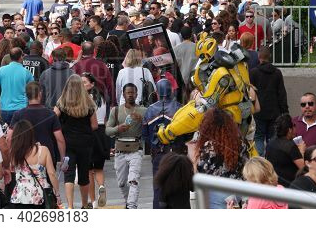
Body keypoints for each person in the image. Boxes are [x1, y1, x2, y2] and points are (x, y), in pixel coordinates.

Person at [53, 74, 98, 209]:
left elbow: (54, 118)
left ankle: (70, 206)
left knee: (69, 175)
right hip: (85, 143)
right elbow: (95, 125)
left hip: (67, 143)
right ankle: (84, 204)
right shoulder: (89, 102)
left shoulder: (62, 102)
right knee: (84, 175)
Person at [142, 79, 188, 208]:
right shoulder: (180, 109)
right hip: (177, 154)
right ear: (172, 91)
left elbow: (145, 135)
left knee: (158, 188)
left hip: (158, 155)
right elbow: (187, 134)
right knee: (179, 187)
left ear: (156, 92)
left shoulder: (150, 110)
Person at [196, 108, 249, 209]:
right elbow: (246, 168)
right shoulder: (241, 143)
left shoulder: (209, 146)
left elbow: (201, 170)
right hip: (238, 190)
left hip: (216, 192)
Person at [106, 83, 146, 209]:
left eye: (133, 92)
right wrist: (118, 128)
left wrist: (142, 121)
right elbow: (107, 130)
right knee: (122, 183)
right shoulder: (116, 110)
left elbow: (150, 128)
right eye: (128, 92)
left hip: (136, 149)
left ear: (136, 94)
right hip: (120, 150)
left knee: (133, 180)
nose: (130, 95)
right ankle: (128, 202)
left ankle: (131, 206)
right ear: (123, 94)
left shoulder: (143, 110)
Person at [8, 81, 66, 170]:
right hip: (47, 156)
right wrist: (62, 159)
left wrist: (11, 158)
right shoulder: (51, 114)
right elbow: (60, 139)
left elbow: (9, 137)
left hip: (24, 156)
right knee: (48, 182)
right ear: (40, 94)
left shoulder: (18, 114)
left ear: (27, 95)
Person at [9, 120, 61, 209]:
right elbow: (52, 173)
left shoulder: (13, 152)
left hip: (20, 195)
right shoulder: (43, 150)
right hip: (40, 195)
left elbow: (12, 169)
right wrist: (57, 194)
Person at [250, 47, 288, 156]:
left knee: (258, 137)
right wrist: (285, 112)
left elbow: (250, 93)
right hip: (274, 111)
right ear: (269, 56)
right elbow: (282, 94)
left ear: (258, 57)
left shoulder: (253, 73)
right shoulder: (277, 73)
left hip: (258, 112)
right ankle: (272, 161)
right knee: (273, 138)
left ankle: (261, 163)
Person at [81, 72, 109, 209]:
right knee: (99, 168)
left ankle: (93, 202)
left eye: (84, 83)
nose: (82, 85)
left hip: (89, 133)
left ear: (91, 84)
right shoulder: (102, 98)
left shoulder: (84, 99)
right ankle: (102, 186)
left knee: (88, 170)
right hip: (102, 133)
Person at [0, 48, 34, 124]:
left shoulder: (1, 70)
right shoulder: (26, 72)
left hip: (4, 108)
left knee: (6, 133)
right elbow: (32, 90)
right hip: (21, 108)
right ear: (21, 57)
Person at [265, 114, 305, 187]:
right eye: (294, 125)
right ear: (289, 130)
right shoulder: (290, 146)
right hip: (290, 186)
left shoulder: (271, 142)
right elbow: (303, 168)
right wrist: (302, 151)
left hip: (274, 184)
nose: (295, 128)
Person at [72, 41, 114, 106]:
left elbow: (71, 85)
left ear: (82, 51)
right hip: (99, 101)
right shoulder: (102, 65)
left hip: (81, 101)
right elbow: (109, 85)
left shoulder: (76, 66)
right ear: (94, 51)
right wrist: (113, 103)